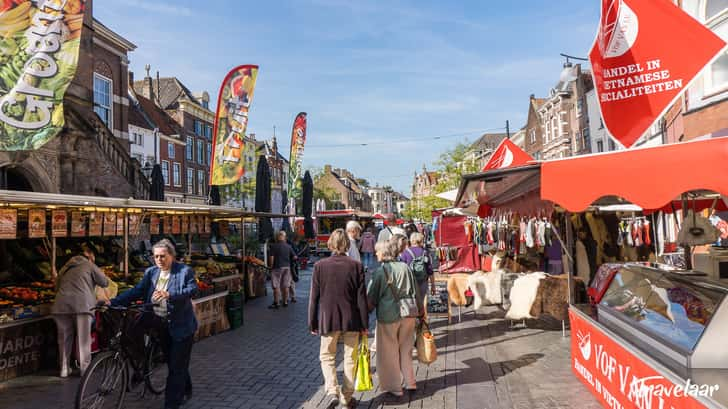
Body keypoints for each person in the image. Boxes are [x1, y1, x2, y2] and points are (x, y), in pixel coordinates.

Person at [111, 239, 198, 409]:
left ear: (171, 256)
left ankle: (171, 404)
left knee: (175, 368)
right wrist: (113, 301)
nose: (159, 260)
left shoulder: (184, 271)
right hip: (160, 324)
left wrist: (169, 294)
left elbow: (192, 290)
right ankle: (185, 386)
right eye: (156, 256)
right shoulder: (151, 272)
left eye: (163, 256)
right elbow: (136, 290)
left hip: (181, 326)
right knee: (175, 362)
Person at [309, 229, 368, 409]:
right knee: (351, 357)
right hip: (352, 319)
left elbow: (314, 297)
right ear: (347, 245)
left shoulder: (320, 266)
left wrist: (312, 322)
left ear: (330, 244)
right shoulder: (356, 266)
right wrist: (365, 324)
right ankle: (347, 397)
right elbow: (361, 298)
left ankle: (332, 391)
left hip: (328, 318)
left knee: (327, 356)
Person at [367, 238, 418, 398]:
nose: (375, 253)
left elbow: (372, 296)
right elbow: (415, 291)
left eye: (377, 251)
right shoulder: (405, 267)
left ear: (383, 253)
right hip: (408, 312)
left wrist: (365, 313)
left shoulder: (381, 271)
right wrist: (421, 313)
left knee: (388, 352)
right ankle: (410, 382)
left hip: (388, 316)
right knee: (406, 349)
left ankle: (394, 386)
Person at [51, 244, 109, 377]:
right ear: (88, 256)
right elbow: (104, 282)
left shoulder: (65, 268)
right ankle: (84, 369)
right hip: (82, 305)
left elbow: (56, 287)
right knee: (83, 338)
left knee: (64, 338)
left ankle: (64, 369)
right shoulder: (89, 265)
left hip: (62, 305)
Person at [399, 232, 435, 315]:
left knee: (410, 303)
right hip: (422, 282)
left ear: (411, 241)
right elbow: (430, 270)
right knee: (420, 302)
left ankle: (412, 322)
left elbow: (401, 269)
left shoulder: (405, 253)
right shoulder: (425, 252)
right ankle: (420, 321)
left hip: (410, 283)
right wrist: (433, 285)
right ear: (420, 241)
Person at [268, 231, 297, 309]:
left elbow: (271, 258)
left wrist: (270, 267)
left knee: (276, 286)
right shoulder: (289, 246)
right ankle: (285, 302)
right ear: (284, 237)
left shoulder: (273, 246)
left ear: (277, 237)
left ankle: (276, 303)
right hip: (287, 268)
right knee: (286, 286)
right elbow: (295, 257)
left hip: (276, 267)